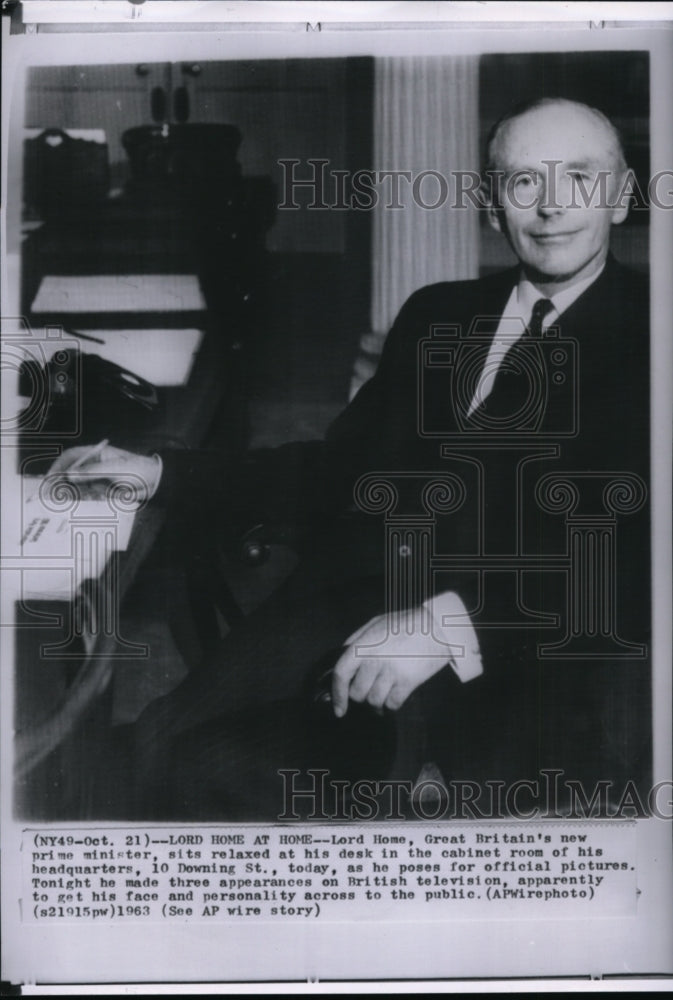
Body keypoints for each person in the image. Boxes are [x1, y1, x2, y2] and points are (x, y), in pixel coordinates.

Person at [52, 97, 651, 819]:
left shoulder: (653, 340)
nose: (551, 206)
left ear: (620, 197)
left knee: (209, 775)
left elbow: (635, 560)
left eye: (579, 178)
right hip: (352, 597)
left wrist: (453, 624)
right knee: (135, 750)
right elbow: (339, 472)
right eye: (525, 181)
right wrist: (163, 471)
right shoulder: (441, 312)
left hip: (521, 663)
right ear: (493, 204)